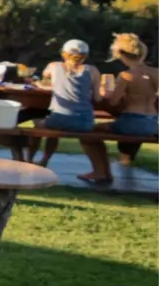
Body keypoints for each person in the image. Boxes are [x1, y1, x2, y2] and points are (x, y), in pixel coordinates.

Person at [30, 38, 111, 184]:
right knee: (55, 126)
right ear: (85, 56)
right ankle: (43, 159)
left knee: (38, 123)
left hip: (58, 118)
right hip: (84, 122)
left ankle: (34, 160)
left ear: (64, 54)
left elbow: (45, 77)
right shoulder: (93, 71)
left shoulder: (54, 66)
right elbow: (98, 98)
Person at [100, 31, 157, 166]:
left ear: (121, 54)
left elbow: (113, 102)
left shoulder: (126, 75)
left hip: (131, 121)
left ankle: (102, 169)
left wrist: (107, 93)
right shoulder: (156, 73)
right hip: (152, 123)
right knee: (127, 130)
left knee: (91, 132)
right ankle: (125, 161)